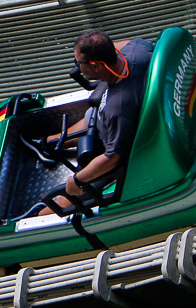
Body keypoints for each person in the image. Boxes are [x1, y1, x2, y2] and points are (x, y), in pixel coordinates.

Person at [40, 30, 153, 214]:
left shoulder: (117, 109)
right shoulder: (137, 49)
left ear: (95, 66)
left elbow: (113, 157)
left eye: (79, 63)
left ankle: (40, 215)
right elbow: (117, 46)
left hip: (116, 158)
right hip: (105, 122)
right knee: (91, 114)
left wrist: (76, 181)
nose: (77, 68)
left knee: (60, 202)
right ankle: (51, 143)